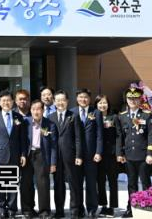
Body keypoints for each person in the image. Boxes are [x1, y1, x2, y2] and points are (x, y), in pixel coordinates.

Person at [0, 90, 27, 219]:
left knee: (13, 184)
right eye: (3, 100)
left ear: (13, 102)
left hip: (15, 155)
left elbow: (23, 138)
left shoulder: (18, 117)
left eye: (8, 100)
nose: (6, 103)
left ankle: (12, 209)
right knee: (0, 184)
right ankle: (1, 208)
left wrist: (23, 154)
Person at [116, 88, 152, 218]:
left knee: (146, 182)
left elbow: (151, 136)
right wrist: (119, 153)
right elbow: (120, 137)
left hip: (143, 155)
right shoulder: (122, 116)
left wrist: (150, 153)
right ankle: (131, 208)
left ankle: (149, 207)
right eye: (130, 98)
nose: (132, 101)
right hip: (129, 156)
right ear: (126, 100)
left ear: (140, 99)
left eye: (135, 98)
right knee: (131, 183)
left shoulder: (147, 115)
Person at [49, 90, 83, 219]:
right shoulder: (50, 117)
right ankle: (59, 211)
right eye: (58, 100)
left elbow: (78, 138)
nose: (60, 103)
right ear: (54, 102)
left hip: (71, 156)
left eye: (63, 100)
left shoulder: (74, 116)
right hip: (56, 157)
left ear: (67, 101)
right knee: (58, 184)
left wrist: (78, 155)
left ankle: (74, 211)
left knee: (73, 183)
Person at [21, 100, 57, 219]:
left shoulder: (49, 124)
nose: (36, 111)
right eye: (33, 109)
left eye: (38, 109)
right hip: (28, 155)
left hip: (42, 154)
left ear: (43, 110)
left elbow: (53, 145)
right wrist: (22, 155)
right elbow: (21, 140)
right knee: (26, 183)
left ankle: (44, 211)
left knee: (43, 183)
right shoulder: (25, 122)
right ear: (30, 110)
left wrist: (53, 162)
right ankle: (27, 210)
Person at [71, 89, 103, 218]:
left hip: (91, 154)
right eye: (80, 97)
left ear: (89, 99)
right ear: (77, 98)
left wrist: (98, 152)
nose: (83, 99)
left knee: (91, 183)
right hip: (76, 155)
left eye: (85, 97)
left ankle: (92, 209)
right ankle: (79, 208)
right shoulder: (72, 112)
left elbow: (99, 135)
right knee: (77, 183)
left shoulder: (96, 112)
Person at [94, 95, 118, 218]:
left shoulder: (114, 117)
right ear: (96, 105)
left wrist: (118, 153)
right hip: (98, 155)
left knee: (113, 181)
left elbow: (119, 135)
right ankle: (103, 205)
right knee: (100, 181)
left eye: (104, 103)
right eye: (100, 103)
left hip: (111, 154)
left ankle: (112, 207)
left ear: (108, 104)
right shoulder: (93, 117)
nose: (102, 105)